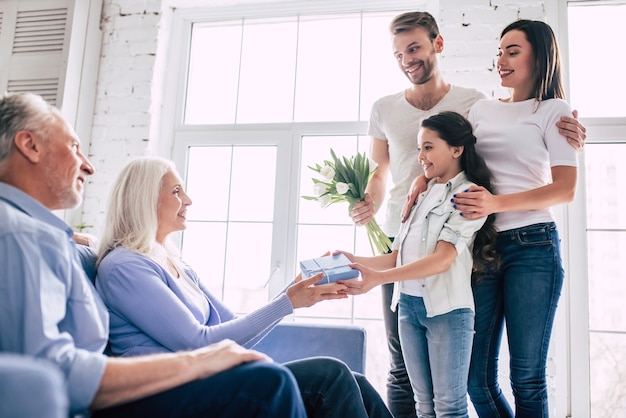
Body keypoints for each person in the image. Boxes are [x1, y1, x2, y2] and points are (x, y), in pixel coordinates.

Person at [0, 91, 308, 418]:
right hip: (103, 402)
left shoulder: (40, 235)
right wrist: (197, 361)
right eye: (75, 147)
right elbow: (53, 372)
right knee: (268, 384)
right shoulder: (21, 234)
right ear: (30, 145)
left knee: (320, 377)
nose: (88, 167)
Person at [348, 11, 587, 418]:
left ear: (540, 57)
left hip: (532, 244)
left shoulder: (552, 109)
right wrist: (424, 180)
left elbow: (564, 188)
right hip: (483, 245)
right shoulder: (483, 110)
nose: (502, 60)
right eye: (500, 52)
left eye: (513, 52)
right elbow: (451, 152)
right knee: (475, 378)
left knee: (527, 376)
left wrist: (495, 202)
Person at [94, 155, 393, 418]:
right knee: (332, 376)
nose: (188, 200)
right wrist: (288, 302)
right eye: (176, 191)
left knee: (357, 381)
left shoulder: (176, 264)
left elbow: (232, 327)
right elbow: (197, 343)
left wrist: (296, 291)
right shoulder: (125, 268)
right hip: (167, 392)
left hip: (205, 378)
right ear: (144, 200)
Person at [335, 111, 498, 417]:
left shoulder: (469, 195)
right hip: (408, 307)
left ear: (456, 149)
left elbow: (441, 259)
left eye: (428, 147)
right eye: (419, 148)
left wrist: (379, 279)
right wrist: (353, 260)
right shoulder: (421, 193)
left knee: (449, 408)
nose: (420, 156)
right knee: (423, 406)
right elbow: (399, 256)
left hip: (447, 312)